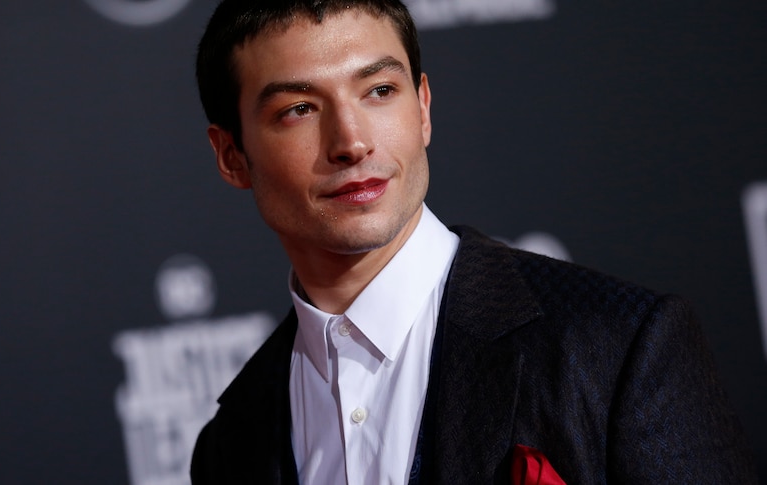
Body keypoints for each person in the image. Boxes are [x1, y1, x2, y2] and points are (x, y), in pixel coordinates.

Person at [190, 0, 757, 483]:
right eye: (299, 110)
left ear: (424, 108)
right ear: (231, 156)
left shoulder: (617, 347)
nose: (352, 141)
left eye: (380, 90)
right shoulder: (231, 441)